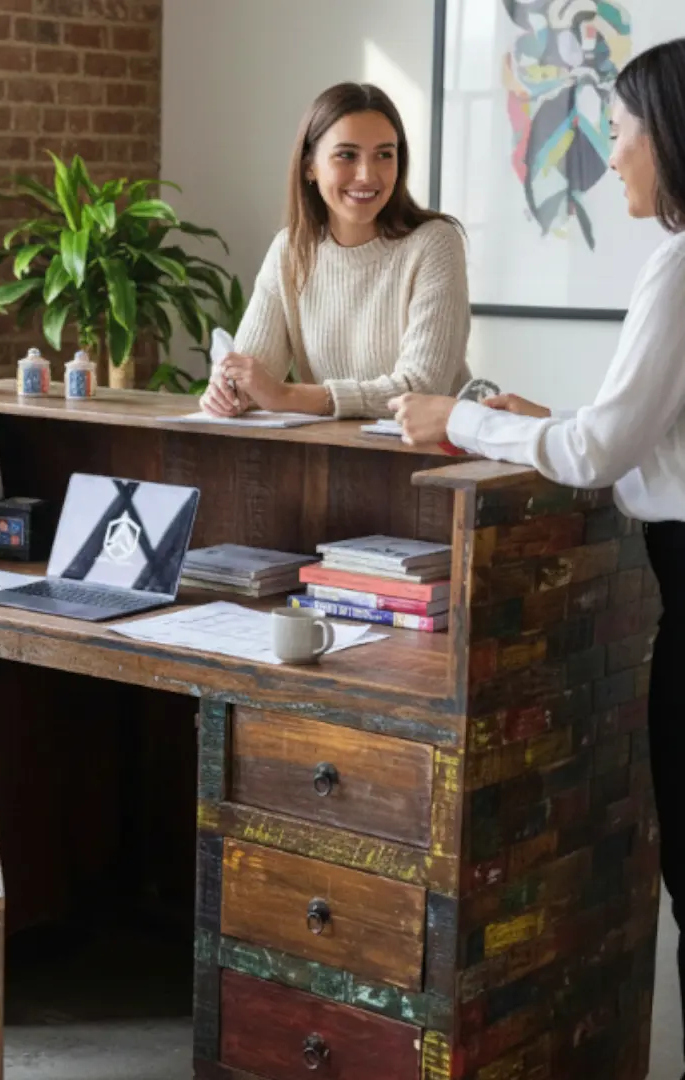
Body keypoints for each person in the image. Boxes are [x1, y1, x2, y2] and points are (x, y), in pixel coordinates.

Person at [389, 39, 685, 1068]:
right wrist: (545, 418)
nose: (613, 156)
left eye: (624, 132)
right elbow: (647, 441)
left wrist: (461, 421)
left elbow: (603, 452)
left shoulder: (680, 266)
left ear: (672, 139)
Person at [201, 82, 471, 420]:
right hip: (334, 455)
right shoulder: (290, 250)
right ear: (309, 166)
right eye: (347, 155)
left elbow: (421, 390)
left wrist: (287, 394)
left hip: (434, 460)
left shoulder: (435, 242)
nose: (366, 174)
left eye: (384, 155)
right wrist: (229, 391)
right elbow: (253, 376)